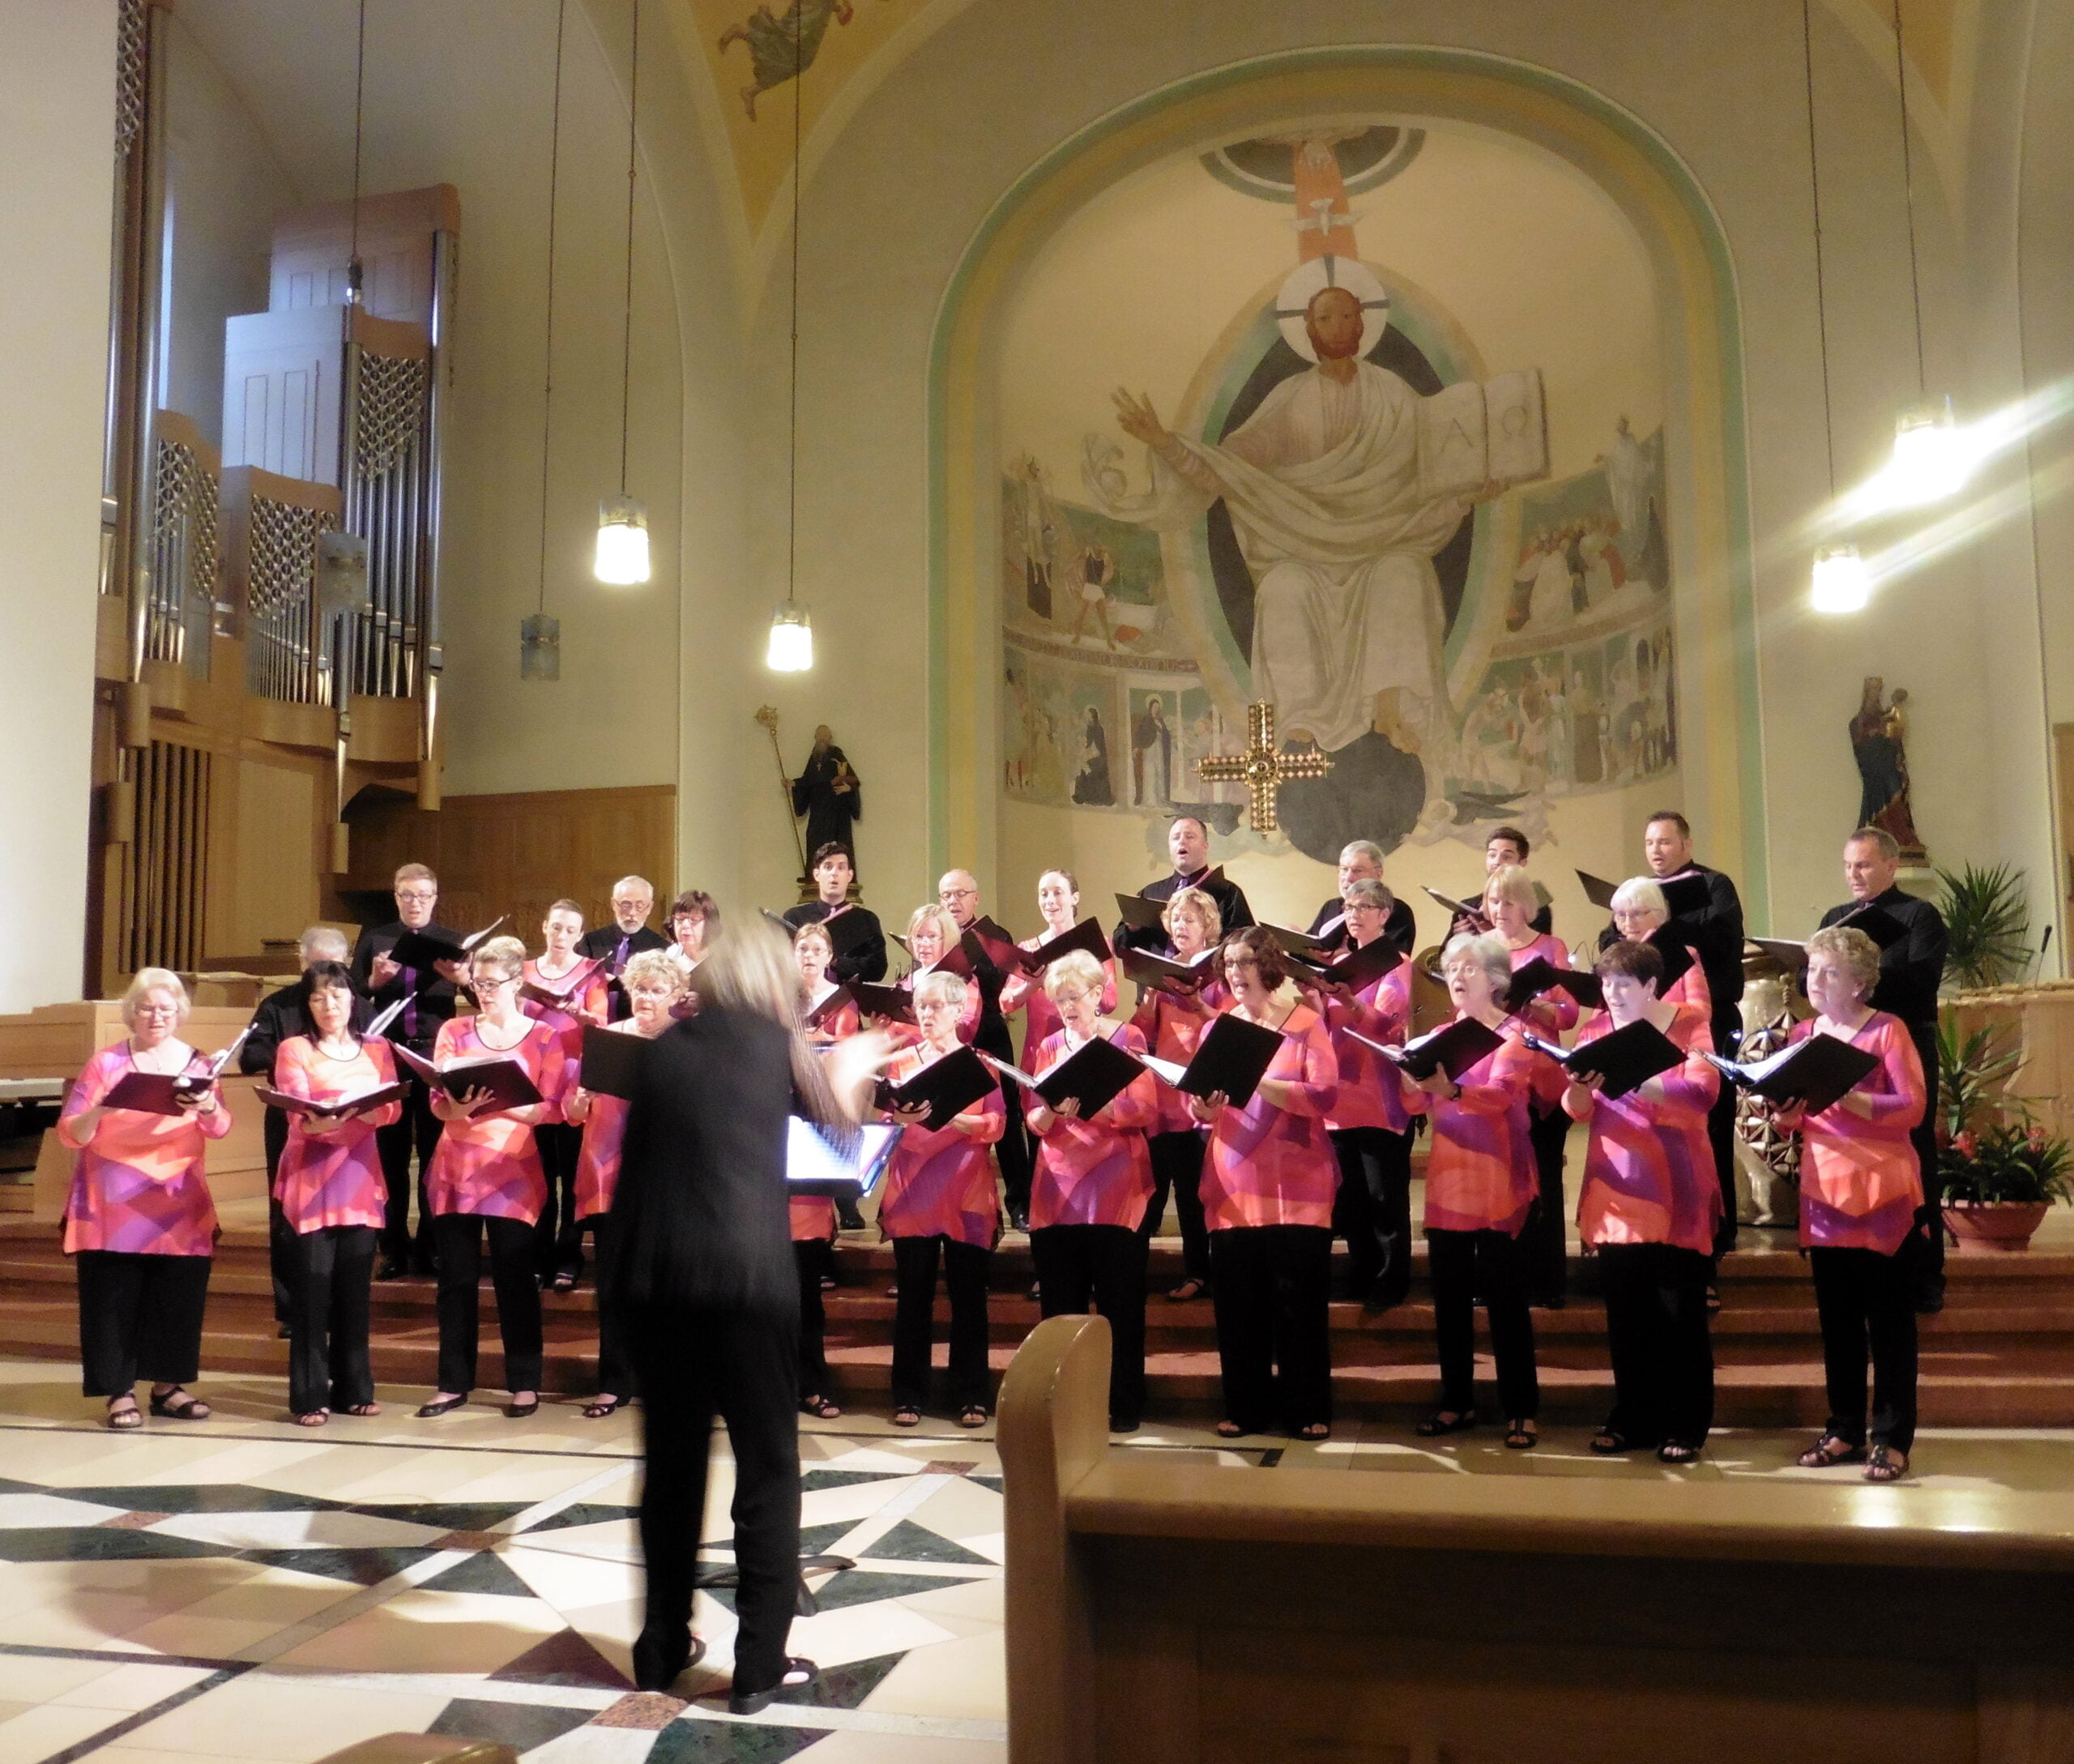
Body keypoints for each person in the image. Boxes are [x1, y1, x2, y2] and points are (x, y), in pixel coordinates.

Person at [612, 919, 877, 1706]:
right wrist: (851, 1069)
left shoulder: (662, 1050)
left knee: (671, 1471)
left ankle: (660, 1646)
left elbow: (636, 1176)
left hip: (660, 1287)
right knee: (767, 1468)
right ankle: (759, 1663)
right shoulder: (778, 1046)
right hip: (748, 1286)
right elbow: (843, 1145)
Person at [1105, 284, 1508, 768]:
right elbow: (1227, 472)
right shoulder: (1288, 400)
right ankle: (1300, 729)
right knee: (1282, 590)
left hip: (1382, 547)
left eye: (1347, 316)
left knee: (1404, 575)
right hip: (1302, 553)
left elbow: (1433, 472)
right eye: (1325, 318)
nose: (1337, 326)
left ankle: (1392, 712)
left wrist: (1471, 487)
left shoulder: (1395, 396)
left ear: (1362, 325)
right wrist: (1166, 444)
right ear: (1309, 330)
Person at [1561, 940, 1721, 1463]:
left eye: (1624, 984)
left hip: (1676, 1184)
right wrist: (1578, 1087)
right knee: (1627, 1314)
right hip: (1616, 1185)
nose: (1613, 993)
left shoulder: (1688, 1024)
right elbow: (1579, 1110)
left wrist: (1637, 1079)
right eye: (1606, 983)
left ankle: (1686, 1423)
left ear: (1652, 986)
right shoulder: (1595, 1030)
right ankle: (1633, 1415)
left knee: (1679, 1311)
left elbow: (1702, 1093)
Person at [1777, 925, 1927, 1482]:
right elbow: (1794, 1120)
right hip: (1825, 1192)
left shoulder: (1888, 1030)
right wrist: (1787, 1113)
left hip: (1882, 1190)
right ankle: (1844, 1429)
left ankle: (1891, 1438)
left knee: (1889, 1326)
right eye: (1813, 969)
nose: (1816, 980)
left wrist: (1850, 1096)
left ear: (1860, 982)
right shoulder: (1803, 1032)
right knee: (1837, 1325)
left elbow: (1912, 1108)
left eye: (1830, 971)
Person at [56, 968, 230, 1429]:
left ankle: (168, 1386)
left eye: (167, 1009)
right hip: (113, 1199)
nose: (157, 1016)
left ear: (180, 1014)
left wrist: (208, 1105)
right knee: (113, 1296)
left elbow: (220, 1127)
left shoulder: (197, 1063)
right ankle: (119, 1390)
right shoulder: (106, 1063)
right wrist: (102, 1108)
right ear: (132, 1013)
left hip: (178, 1197)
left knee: (177, 1294)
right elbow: (70, 1132)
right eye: (148, 1008)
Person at [1189, 927, 1340, 1440]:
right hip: (1234, 1179)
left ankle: (1307, 1408)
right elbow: (1201, 1107)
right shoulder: (1221, 1027)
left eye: (1244, 962)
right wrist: (1201, 1105)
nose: (1235, 972)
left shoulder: (1304, 1023)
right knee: (1239, 1307)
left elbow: (1324, 1095)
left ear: (1268, 967)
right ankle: (1246, 1408)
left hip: (1297, 1180)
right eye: (1229, 963)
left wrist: (1260, 1081)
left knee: (1299, 1306)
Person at [1400, 932, 1545, 1449]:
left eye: (1468, 968)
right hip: (1449, 1181)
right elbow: (1415, 1106)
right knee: (1451, 1302)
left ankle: (1521, 1410)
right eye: (1452, 969)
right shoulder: (1440, 1035)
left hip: (1499, 1179)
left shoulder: (1516, 1034)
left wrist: (1452, 1089)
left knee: (1507, 1302)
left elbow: (1501, 1095)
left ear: (1496, 979)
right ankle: (1456, 1401)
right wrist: (1410, 1078)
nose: (1457, 977)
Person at [416, 936, 568, 1420]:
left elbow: (553, 1109)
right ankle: (452, 1383)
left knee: (515, 1278)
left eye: (493, 984)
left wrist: (505, 1103)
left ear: (517, 983)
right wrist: (458, 1106)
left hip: (512, 1169)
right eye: (478, 984)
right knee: (456, 1280)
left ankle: (524, 1383)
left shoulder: (543, 1037)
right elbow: (438, 1103)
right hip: (456, 1167)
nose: (484, 992)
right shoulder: (456, 1030)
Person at [1023, 950, 1159, 1431]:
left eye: (1073, 997)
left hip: (1114, 1186)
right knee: (1062, 1306)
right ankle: (1066, 1406)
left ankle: (1123, 1404)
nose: (1066, 1008)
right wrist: (1050, 1112)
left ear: (1098, 994)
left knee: (1120, 1303)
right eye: (1059, 1000)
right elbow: (1034, 1118)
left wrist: (1091, 1109)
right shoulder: (1049, 1046)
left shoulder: (1128, 1038)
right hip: (1057, 1188)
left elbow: (1145, 1109)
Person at [1818, 825, 1949, 1313]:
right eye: (1848, 866)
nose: (1853, 874)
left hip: (1905, 1044)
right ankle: (1860, 1261)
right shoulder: (1835, 920)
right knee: (1850, 1150)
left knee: (1915, 1152)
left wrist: (1858, 981)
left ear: (1892, 866)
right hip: (1846, 1046)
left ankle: (1924, 1273)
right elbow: (1816, 981)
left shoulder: (1919, 915)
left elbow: (1921, 981)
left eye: (1864, 865)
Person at [270, 960, 402, 1424]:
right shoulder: (294, 1048)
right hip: (312, 1178)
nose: (330, 1004)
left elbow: (391, 1110)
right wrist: (336, 1121)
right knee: (311, 1292)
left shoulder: (378, 1048)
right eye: (319, 997)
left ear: (353, 999)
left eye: (338, 994)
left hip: (360, 1178)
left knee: (354, 1291)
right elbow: (298, 1116)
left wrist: (350, 1117)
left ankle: (354, 1388)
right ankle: (310, 1395)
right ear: (307, 1005)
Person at [877, 971, 1005, 1428]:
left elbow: (998, 1125)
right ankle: (909, 1395)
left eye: (935, 1006)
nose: (927, 1015)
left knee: (969, 1298)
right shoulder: (901, 1063)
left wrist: (958, 1121)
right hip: (914, 1190)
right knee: (913, 1298)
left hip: (966, 1190)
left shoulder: (981, 1063)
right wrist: (903, 1119)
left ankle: (971, 1395)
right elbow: (886, 1123)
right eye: (921, 1007)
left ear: (958, 1010)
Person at [565, 949, 686, 1420]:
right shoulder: (607, 1039)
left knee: (667, 1286)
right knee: (614, 1284)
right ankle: (614, 1382)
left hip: (667, 1179)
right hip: (608, 1174)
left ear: (676, 996)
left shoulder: (686, 1044)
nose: (646, 998)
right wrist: (582, 1097)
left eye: (657, 990)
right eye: (639, 989)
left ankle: (668, 1382)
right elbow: (572, 1113)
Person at [241, 926, 367, 1336]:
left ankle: (339, 1306)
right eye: (315, 966)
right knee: (287, 1213)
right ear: (301, 962)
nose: (324, 978)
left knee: (346, 1221)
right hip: (291, 1117)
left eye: (333, 967)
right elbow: (250, 1057)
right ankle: (293, 1310)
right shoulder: (277, 1005)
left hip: (352, 1125)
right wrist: (295, 1056)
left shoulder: (356, 1004)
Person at [1640, 810, 1747, 1290]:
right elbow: (1611, 941)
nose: (1656, 851)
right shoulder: (1640, 891)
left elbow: (1724, 941)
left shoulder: (1714, 885)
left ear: (1686, 844)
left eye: (1665, 842)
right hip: (1650, 1024)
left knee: (1713, 1123)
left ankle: (1719, 1229)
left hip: (1709, 1018)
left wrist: (1668, 922)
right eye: (1650, 843)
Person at [352, 863, 469, 1279]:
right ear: (396, 897)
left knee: (436, 1155)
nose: (415, 903)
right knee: (391, 1155)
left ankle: (431, 1247)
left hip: (437, 1056)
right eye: (407, 895)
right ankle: (394, 1248)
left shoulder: (451, 941)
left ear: (434, 899)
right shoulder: (377, 938)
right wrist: (374, 980)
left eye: (422, 896)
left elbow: (480, 995)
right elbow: (353, 996)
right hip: (389, 1055)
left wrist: (462, 978)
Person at [1308, 878, 1417, 1309]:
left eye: (1363, 907)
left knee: (1384, 1195)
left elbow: (1388, 1024)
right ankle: (1362, 1271)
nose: (1353, 915)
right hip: (1340, 1092)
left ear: (1384, 915)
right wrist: (1313, 992)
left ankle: (1392, 1278)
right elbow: (1322, 1025)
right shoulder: (1339, 962)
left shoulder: (1396, 962)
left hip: (1378, 1092)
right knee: (1351, 1196)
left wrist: (1352, 1003)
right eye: (1349, 907)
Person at [998, 869, 1116, 1235]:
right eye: (1044, 894)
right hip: (1042, 1055)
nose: (1050, 901)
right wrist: (1034, 984)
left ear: (1075, 898)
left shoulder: (1096, 943)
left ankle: (1090, 1223)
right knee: (1042, 1142)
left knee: (1088, 1136)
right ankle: (1046, 1229)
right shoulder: (1029, 947)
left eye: (1058, 893)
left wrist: (1079, 983)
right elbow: (1006, 1002)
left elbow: (1110, 1000)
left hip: (1085, 1052)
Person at [1130, 886, 1228, 1301]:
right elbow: (1140, 1031)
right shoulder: (1162, 969)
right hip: (1164, 1091)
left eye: (1190, 919)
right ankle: (1130, 1272)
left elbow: (1230, 1026)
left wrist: (1198, 1002)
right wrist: (1150, 997)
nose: (1181, 925)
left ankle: (1198, 1273)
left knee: (1191, 1194)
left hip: (1201, 1094)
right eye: (1176, 919)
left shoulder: (1221, 973)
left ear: (1207, 926)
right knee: (1150, 1187)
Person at [1484, 863, 1575, 1309]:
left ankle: (1548, 1281)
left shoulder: (1550, 948)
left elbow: (1568, 1014)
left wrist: (1531, 1005)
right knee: (1497, 1181)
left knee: (1544, 1180)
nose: (1499, 909)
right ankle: (1500, 1280)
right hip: (1493, 1076)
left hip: (1540, 1081)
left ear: (1526, 906)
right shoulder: (1482, 948)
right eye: (1493, 900)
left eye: (1508, 901)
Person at [937, 869, 1035, 1229]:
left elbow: (1002, 983)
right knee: (950, 1114)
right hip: (948, 1038)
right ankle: (951, 1203)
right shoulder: (936, 934)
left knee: (1007, 1114)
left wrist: (970, 965)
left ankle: (1019, 1204)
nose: (953, 901)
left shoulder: (994, 935)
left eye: (960, 894)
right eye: (946, 895)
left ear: (976, 898)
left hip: (990, 1030)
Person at [790, 923, 860, 1411]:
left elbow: (846, 1073)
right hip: (772, 1142)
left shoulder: (842, 1005)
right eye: (802, 948)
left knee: (806, 1290)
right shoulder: (776, 1004)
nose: (809, 956)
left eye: (817, 949)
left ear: (830, 957)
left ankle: (812, 1383)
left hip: (813, 1142)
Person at [524, 899, 610, 1292]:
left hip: (574, 1079)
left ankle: (569, 1256)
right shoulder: (526, 971)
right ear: (545, 927)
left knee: (573, 1174)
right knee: (539, 1172)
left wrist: (582, 1016)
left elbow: (602, 1024)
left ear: (580, 935)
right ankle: (539, 1255)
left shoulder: (591, 972)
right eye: (556, 927)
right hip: (535, 1079)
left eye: (570, 930)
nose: (561, 935)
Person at [1112, 814, 1253, 957]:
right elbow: (1119, 948)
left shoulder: (1228, 893)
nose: (1182, 841)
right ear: (1170, 848)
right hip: (1156, 972)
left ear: (1205, 846)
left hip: (1207, 971)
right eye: (1176, 838)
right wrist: (1132, 929)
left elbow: (1245, 945)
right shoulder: (1150, 893)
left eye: (1190, 837)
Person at [1607, 878, 1712, 1018]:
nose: (1628, 923)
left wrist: (1652, 1008)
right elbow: (1600, 1018)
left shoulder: (1683, 954)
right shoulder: (1614, 959)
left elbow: (1702, 1011)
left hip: (1670, 1031)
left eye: (1637, 913)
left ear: (1659, 914)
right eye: (1621, 915)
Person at [783, 843, 887, 984]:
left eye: (841, 867)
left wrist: (836, 962)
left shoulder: (866, 919)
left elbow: (878, 969)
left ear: (849, 875)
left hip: (849, 995)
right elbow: (786, 964)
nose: (834, 873)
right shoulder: (795, 917)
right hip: (807, 994)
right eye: (828, 867)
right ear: (816, 874)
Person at [578, 875, 670, 1022]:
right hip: (593, 1022)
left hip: (637, 1024)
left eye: (640, 906)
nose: (632, 913)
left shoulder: (661, 949)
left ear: (649, 908)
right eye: (626, 905)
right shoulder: (591, 941)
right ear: (614, 904)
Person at [1304, 839, 1419, 956]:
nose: (1348, 877)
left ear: (1378, 874)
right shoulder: (1331, 906)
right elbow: (1310, 948)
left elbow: (1393, 960)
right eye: (1344, 869)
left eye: (1357, 870)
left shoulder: (1396, 910)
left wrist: (1347, 959)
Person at [1449, 826, 1552, 939]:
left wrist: (1495, 935)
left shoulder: (1536, 907)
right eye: (1492, 855)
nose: (1497, 861)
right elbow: (1443, 950)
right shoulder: (1466, 907)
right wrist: (1456, 940)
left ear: (1521, 863)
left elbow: (1542, 948)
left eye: (1506, 857)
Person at [792, 725, 862, 880]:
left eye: (825, 736)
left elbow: (853, 779)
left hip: (836, 811)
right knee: (814, 840)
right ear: (815, 737)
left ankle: (836, 877)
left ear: (830, 738)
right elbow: (809, 781)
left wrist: (848, 788)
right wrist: (793, 784)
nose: (822, 738)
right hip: (818, 811)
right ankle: (813, 877)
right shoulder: (814, 758)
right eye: (819, 735)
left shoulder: (836, 755)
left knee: (835, 846)